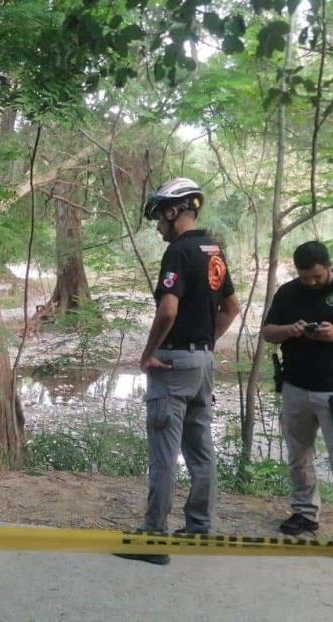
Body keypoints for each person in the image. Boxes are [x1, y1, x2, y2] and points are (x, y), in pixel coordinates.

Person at [116, 178, 240, 565]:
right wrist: (203, 346)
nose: (157, 226)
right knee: (200, 450)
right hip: (202, 363)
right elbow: (231, 308)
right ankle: (200, 526)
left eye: (158, 217)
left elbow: (167, 310)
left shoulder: (179, 253)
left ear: (174, 211)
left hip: (172, 365)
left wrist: (148, 353)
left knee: (164, 454)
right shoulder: (213, 250)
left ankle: (154, 537)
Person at [261, 241, 333, 542]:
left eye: (317, 276)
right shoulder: (289, 292)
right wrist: (290, 330)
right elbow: (267, 332)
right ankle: (304, 513)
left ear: (329, 266)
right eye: (305, 277)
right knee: (298, 454)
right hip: (295, 387)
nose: (311, 282)